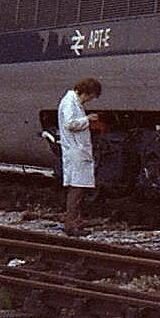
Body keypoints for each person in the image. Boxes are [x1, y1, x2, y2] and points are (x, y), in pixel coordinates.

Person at [56, 77, 101, 236]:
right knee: (77, 188)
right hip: (75, 151)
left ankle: (75, 220)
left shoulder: (73, 102)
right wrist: (87, 119)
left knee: (79, 188)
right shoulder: (70, 102)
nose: (90, 100)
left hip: (77, 150)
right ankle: (71, 224)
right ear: (86, 92)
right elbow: (70, 124)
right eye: (91, 96)